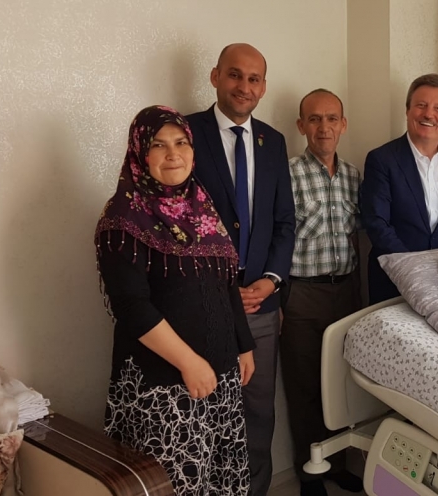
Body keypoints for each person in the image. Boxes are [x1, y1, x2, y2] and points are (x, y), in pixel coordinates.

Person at [95, 105, 254, 495]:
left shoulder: (203, 208)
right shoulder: (123, 218)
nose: (173, 154)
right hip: (164, 384)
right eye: (159, 145)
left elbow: (226, 284)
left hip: (221, 375)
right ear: (140, 152)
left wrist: (244, 345)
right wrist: (189, 363)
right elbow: (131, 307)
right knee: (176, 485)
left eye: (181, 143)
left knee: (223, 479)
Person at [186, 43, 295, 496]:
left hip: (259, 305)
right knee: (204, 412)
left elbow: (284, 222)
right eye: (234, 75)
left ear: (263, 87)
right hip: (203, 306)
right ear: (215, 77)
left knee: (257, 414)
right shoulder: (185, 133)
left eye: (253, 79)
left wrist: (271, 280)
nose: (244, 86)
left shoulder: (274, 141)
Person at [281, 89, 364, 496]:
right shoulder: (287, 174)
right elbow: (277, 238)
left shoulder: (353, 176)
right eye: (314, 119)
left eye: (332, 118)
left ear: (343, 125)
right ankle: (310, 473)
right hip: (302, 294)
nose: (324, 127)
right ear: (301, 126)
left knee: (341, 384)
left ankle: (338, 463)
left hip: (346, 291)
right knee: (305, 387)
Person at [359, 73, 438, 304]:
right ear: (408, 111)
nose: (428, 114)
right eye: (421, 105)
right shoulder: (382, 159)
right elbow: (377, 223)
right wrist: (414, 269)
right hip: (395, 278)